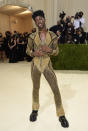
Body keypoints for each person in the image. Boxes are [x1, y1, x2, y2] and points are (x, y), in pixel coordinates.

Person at [26, 10, 69, 128]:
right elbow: (27, 51)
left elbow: (57, 52)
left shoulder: (53, 36)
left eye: (41, 18)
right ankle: (35, 109)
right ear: (35, 22)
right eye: (36, 20)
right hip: (35, 65)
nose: (39, 21)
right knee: (35, 88)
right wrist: (34, 53)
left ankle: (61, 114)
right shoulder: (32, 36)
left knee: (55, 89)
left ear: (44, 19)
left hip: (47, 64)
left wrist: (50, 50)